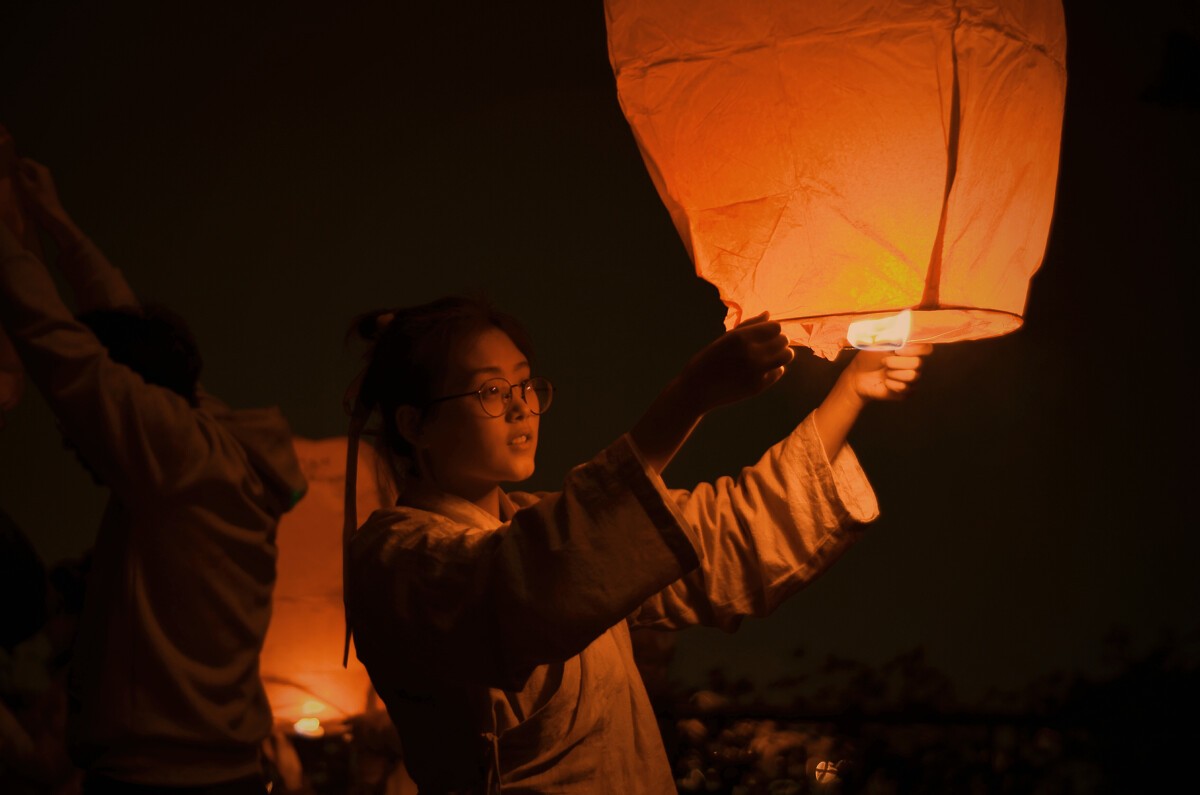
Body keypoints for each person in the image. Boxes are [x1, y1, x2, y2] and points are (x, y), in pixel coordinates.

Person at [341, 296, 932, 793]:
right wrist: (688, 398)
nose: (521, 407)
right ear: (414, 425)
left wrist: (849, 391)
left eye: (525, 383)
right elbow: (532, 583)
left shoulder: (538, 524)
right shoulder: (395, 559)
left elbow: (719, 536)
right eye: (491, 391)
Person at [0, 156, 308, 793]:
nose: (73, 444)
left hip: (163, 783)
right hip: (222, 776)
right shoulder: (213, 436)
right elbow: (128, 332)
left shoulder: (177, 457)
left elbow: (60, 346)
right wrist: (56, 224)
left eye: (77, 433)